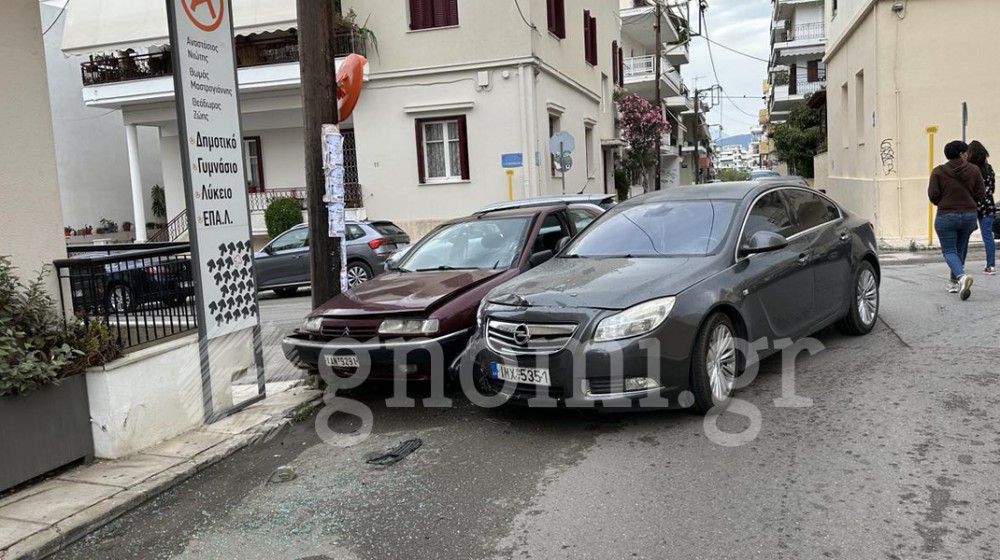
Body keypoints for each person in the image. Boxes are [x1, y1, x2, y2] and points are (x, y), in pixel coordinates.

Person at [928, 140, 986, 300]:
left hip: (946, 214)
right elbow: (981, 192)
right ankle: (954, 282)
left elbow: (933, 194)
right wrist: (969, 201)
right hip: (969, 214)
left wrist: (944, 201)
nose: (967, 155)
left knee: (949, 250)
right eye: (966, 152)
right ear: (961, 154)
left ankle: (960, 277)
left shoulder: (938, 172)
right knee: (960, 248)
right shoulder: (974, 170)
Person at [966, 140, 996, 274]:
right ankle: (991, 266)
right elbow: (992, 188)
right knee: (988, 236)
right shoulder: (989, 169)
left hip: (971, 206)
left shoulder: (969, 170)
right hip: (988, 206)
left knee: (964, 237)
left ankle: (959, 265)